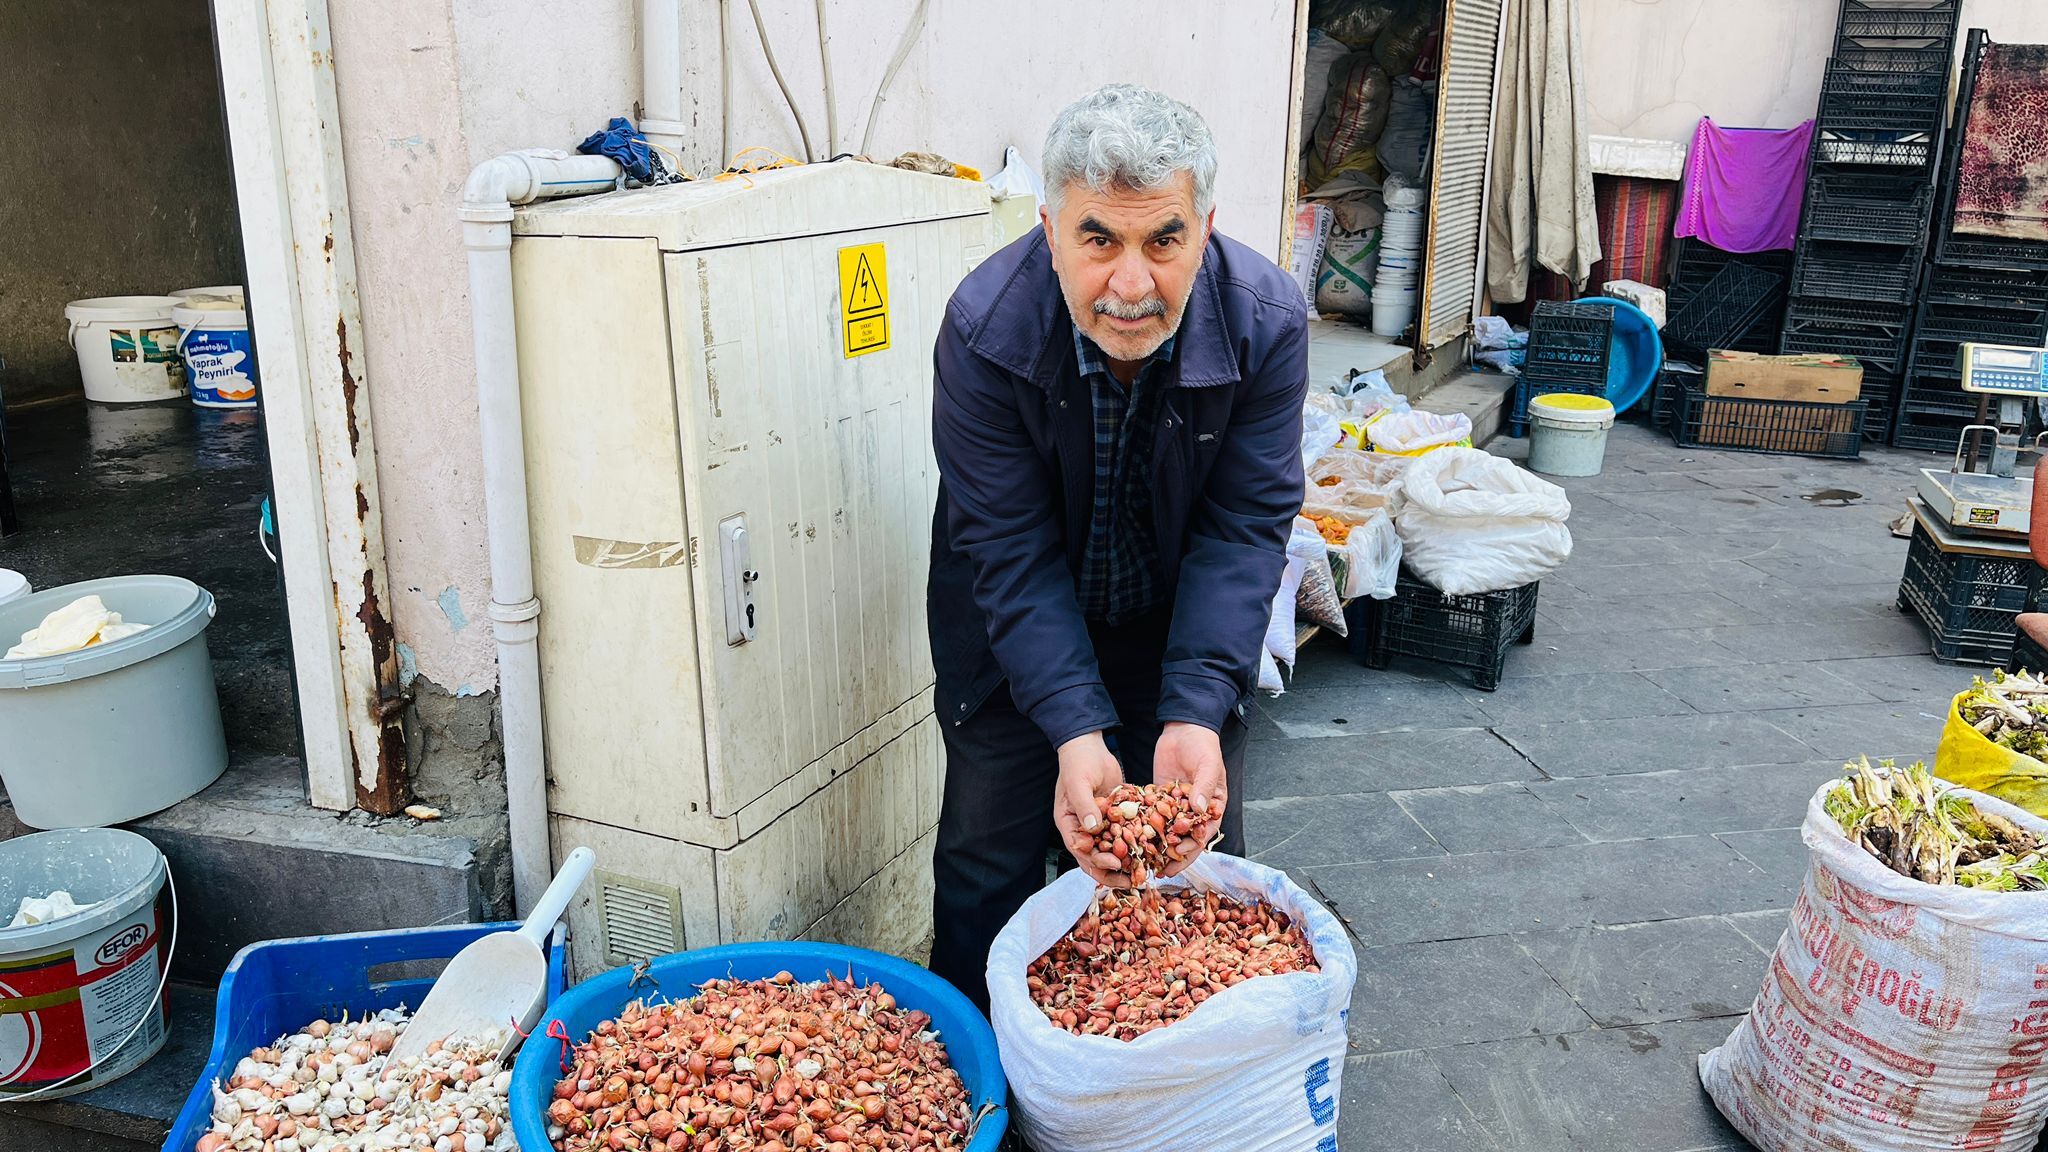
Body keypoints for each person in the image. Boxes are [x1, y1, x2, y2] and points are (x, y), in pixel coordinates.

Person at [926, 83, 1309, 1009]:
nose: (1132, 284)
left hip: (1177, 623)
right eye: (1100, 239)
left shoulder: (1268, 323)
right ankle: (984, 1088)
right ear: (1050, 228)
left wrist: (1195, 712)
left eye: (1163, 240)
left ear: (1205, 228)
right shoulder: (985, 331)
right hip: (1010, 629)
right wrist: (1069, 725)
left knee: (1195, 867)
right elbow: (1007, 549)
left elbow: (1243, 529)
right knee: (985, 861)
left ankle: (1172, 1076)